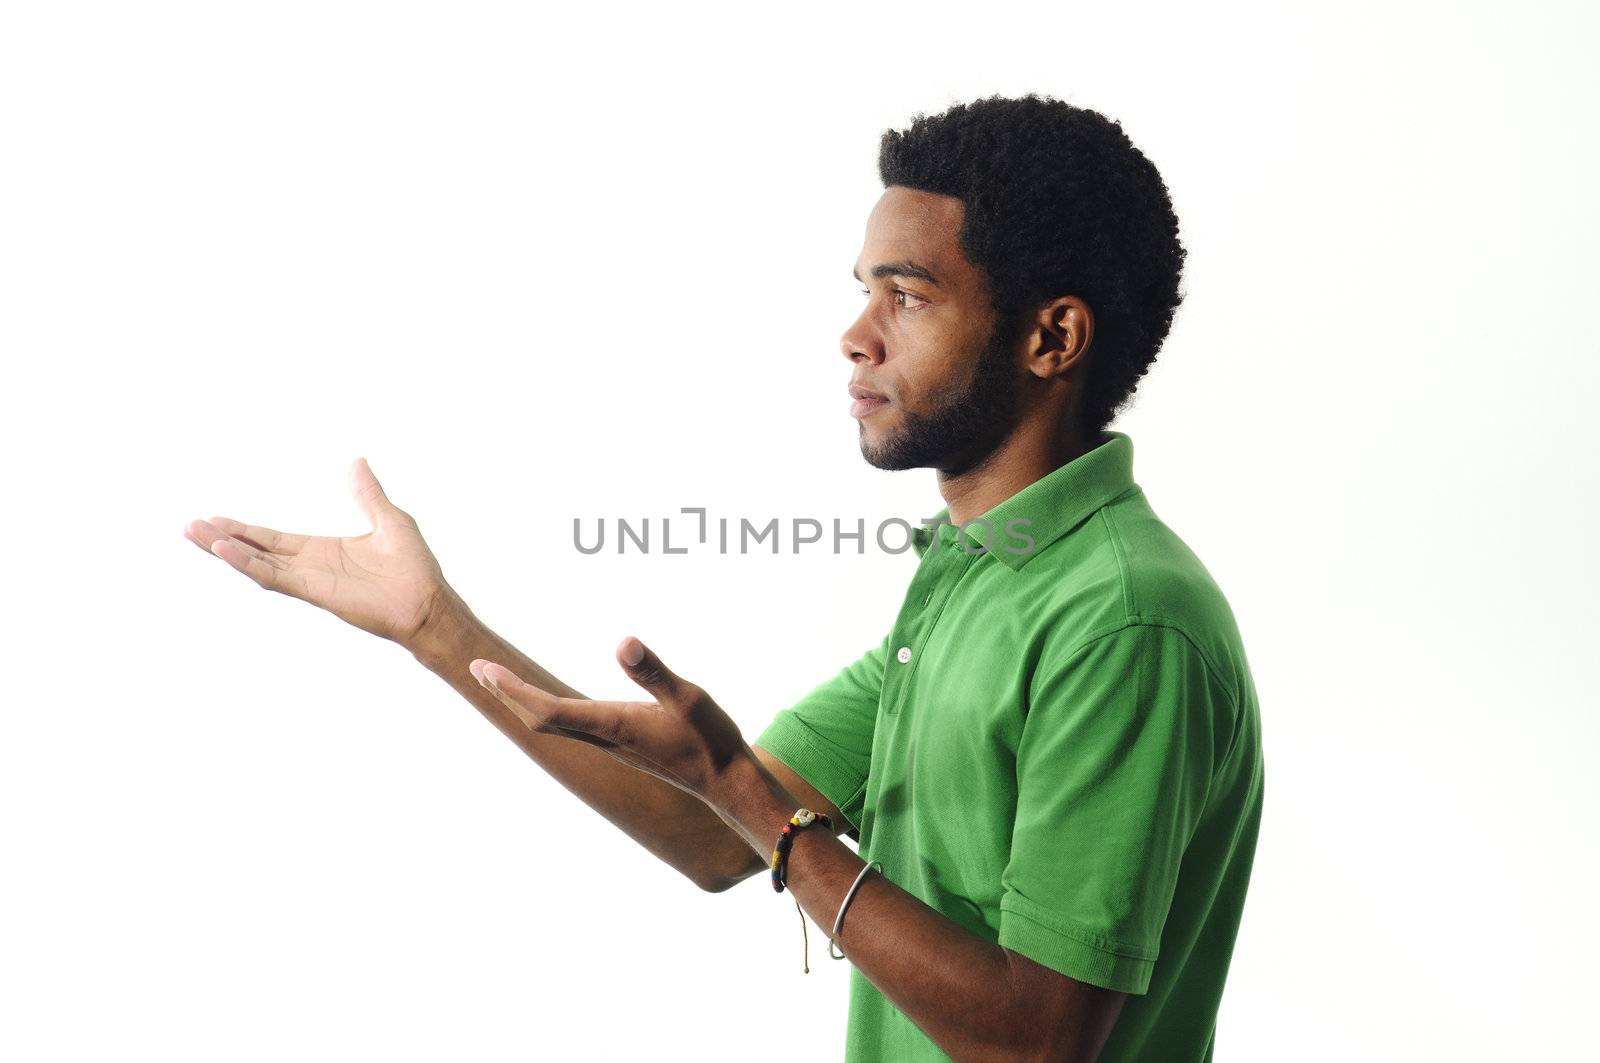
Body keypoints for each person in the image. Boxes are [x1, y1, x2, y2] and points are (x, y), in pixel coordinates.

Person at [185, 93, 1263, 1062]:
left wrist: (750, 798)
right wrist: (436, 625)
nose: (855, 336)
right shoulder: (981, 579)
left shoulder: (1122, 619)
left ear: (1052, 336)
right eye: (863, 292)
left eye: (910, 296)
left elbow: (1035, 1046)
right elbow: (712, 834)